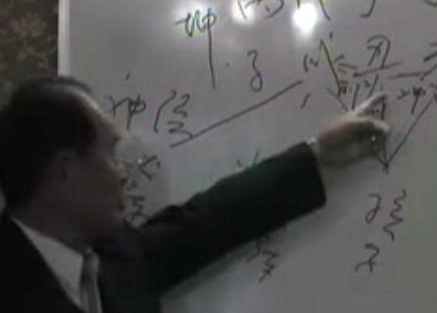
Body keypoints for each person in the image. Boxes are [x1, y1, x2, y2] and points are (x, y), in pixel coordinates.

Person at [0, 76, 389, 313]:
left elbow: (210, 220)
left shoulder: (115, 257)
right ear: (63, 171)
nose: (123, 175)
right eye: (110, 154)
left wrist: (317, 152)